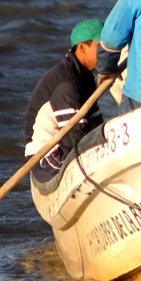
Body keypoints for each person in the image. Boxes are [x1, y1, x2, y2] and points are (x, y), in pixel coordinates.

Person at [23, 19, 106, 184]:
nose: (105, 52)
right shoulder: (68, 83)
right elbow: (74, 135)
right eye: (100, 47)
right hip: (44, 157)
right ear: (82, 47)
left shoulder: (86, 77)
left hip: (64, 146)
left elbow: (95, 124)